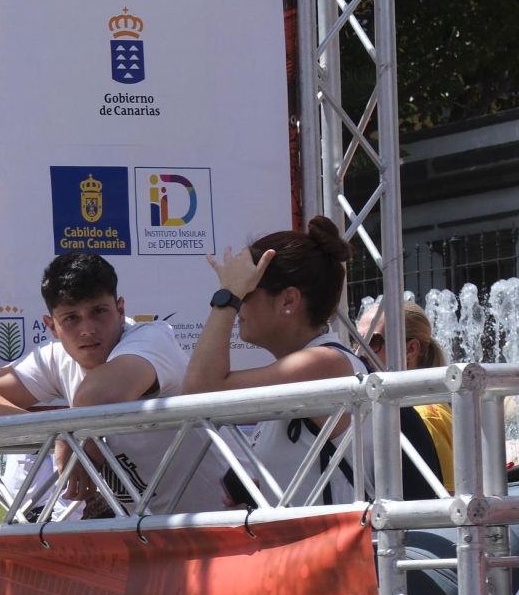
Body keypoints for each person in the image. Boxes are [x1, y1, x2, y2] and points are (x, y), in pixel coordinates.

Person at [0, 253, 228, 516]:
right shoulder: (55, 356)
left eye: (99, 311)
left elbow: (97, 397)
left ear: (120, 310)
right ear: (51, 326)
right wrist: (57, 435)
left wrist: (71, 436)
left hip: (229, 519)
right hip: (154, 530)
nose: (87, 329)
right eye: (71, 318)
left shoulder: (152, 338)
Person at [181, 216, 435, 506]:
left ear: (288, 300)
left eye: (246, 292)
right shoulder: (304, 368)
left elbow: (198, 394)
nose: (239, 305)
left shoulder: (323, 364)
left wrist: (226, 296)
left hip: (352, 536)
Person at [357, 299, 454, 493]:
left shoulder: (426, 414)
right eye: (356, 341)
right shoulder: (415, 406)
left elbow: (447, 495)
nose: (359, 353)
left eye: (372, 342)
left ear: (411, 349)